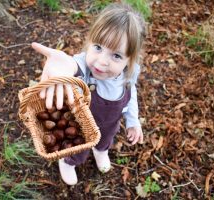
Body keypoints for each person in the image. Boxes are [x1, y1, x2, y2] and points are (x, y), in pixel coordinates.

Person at [31, 2, 146, 185]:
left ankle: (101, 152)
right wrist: (66, 66)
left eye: (116, 56)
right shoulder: (84, 68)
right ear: (89, 42)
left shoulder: (129, 74)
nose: (101, 62)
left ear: (129, 61)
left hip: (109, 124)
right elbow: (74, 65)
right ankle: (68, 161)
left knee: (104, 141)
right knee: (76, 146)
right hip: (80, 124)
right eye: (98, 47)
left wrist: (133, 121)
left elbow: (131, 96)